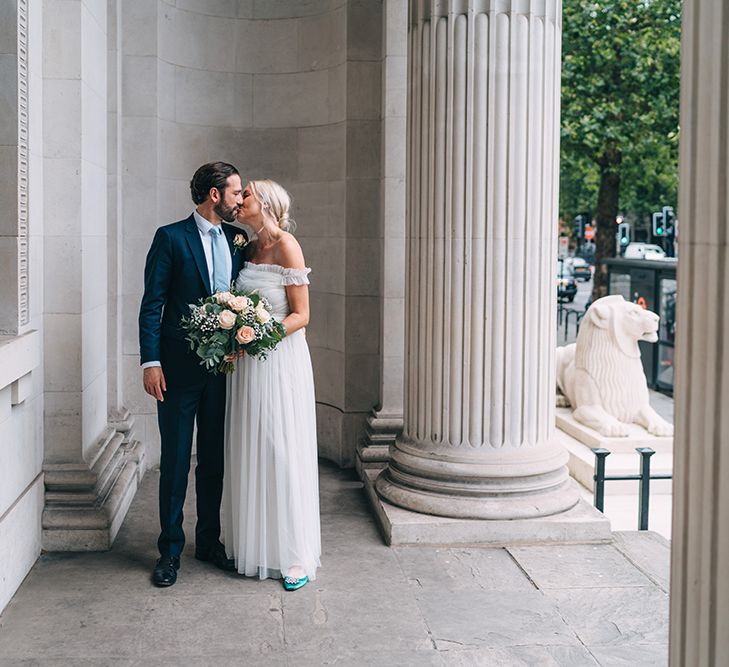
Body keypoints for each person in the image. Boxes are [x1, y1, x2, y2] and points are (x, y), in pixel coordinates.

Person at [138, 162, 247, 587]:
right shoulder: (170, 237)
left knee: (214, 460)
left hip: (223, 369)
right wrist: (151, 362)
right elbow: (153, 303)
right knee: (177, 462)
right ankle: (169, 551)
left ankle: (208, 541)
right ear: (215, 194)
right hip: (177, 371)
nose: (240, 200)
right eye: (235, 192)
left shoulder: (239, 240)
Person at [223, 179, 321, 591]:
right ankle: (256, 545)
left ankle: (294, 555)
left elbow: (301, 316)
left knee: (281, 448)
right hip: (247, 368)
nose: (238, 199)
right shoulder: (245, 247)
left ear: (262, 203)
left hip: (278, 362)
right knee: (251, 445)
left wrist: (254, 339)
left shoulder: (287, 246)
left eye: (244, 194)